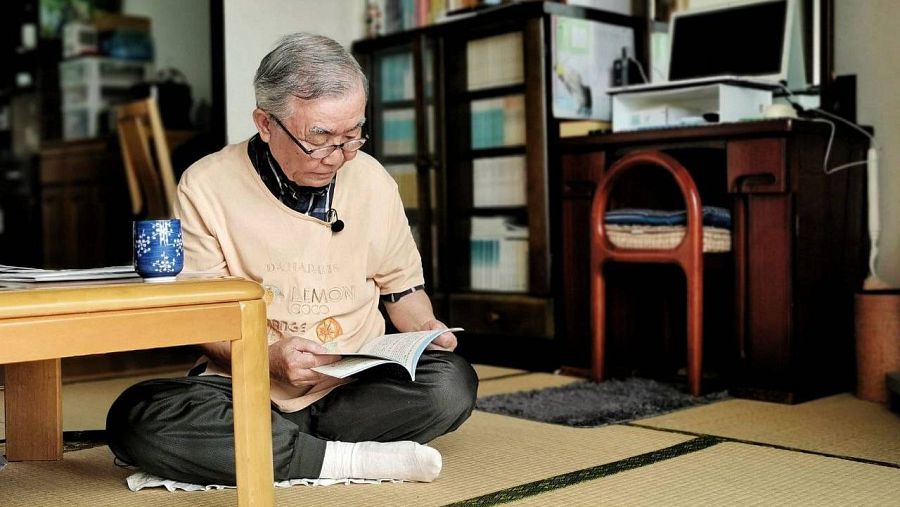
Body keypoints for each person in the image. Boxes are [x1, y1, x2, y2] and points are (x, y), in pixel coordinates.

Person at [106, 32, 478, 486]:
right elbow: (203, 318)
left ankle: (273, 449)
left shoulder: (374, 180)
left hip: (354, 389)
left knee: (450, 385)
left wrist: (425, 330)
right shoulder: (206, 184)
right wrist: (267, 359)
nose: (337, 156)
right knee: (138, 418)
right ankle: (347, 460)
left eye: (353, 135)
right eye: (319, 137)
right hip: (246, 389)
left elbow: (402, 290)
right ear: (265, 123)